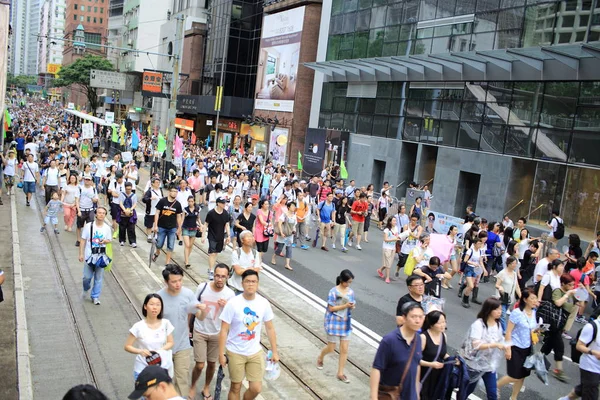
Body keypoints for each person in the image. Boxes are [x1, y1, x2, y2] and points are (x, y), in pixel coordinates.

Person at [219, 270, 279, 400]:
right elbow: (224, 330)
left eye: (254, 282)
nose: (250, 284)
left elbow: (270, 328)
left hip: (254, 352)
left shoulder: (263, 303)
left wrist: (275, 351)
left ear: (257, 284)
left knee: (256, 388)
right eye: (247, 281)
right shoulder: (233, 303)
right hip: (235, 351)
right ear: (242, 284)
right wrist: (221, 354)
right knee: (236, 386)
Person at [158, 265, 205, 396]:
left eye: (180, 280)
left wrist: (203, 310)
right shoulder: (158, 298)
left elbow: (200, 316)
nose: (178, 284)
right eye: (174, 281)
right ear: (166, 282)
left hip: (182, 345)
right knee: (164, 380)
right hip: (163, 346)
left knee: (182, 379)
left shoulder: (188, 294)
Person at [189, 263, 235, 400]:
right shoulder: (202, 287)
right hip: (200, 330)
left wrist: (226, 307)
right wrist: (188, 328)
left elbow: (234, 317)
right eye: (217, 276)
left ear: (227, 277)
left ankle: (206, 387)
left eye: (223, 277)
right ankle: (192, 386)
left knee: (212, 363)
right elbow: (192, 307)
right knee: (199, 364)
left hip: (217, 334)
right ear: (213, 275)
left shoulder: (230, 294)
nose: (219, 279)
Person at [369, 302, 424, 400]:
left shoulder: (418, 339)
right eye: (414, 317)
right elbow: (376, 368)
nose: (418, 321)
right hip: (391, 395)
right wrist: (374, 397)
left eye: (421, 317)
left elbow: (416, 365)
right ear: (404, 318)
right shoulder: (389, 340)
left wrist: (417, 394)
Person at [497, 288, 539, 400]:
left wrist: (536, 335)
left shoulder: (534, 313)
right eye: (533, 298)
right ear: (525, 299)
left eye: (536, 298)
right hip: (515, 347)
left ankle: (514, 397)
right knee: (514, 376)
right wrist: (508, 348)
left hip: (527, 348)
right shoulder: (517, 313)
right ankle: (495, 386)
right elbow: (508, 331)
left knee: (522, 376)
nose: (535, 301)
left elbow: (532, 329)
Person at [461, 298, 507, 400]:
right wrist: (495, 344)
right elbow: (476, 344)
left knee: (492, 393)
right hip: (474, 364)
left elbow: (500, 340)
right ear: (489, 310)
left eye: (500, 309)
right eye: (497, 309)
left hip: (488, 365)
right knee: (467, 390)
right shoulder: (479, 324)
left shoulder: (498, 324)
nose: (500, 312)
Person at [317, 269, 356, 383]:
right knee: (331, 348)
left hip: (345, 322)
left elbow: (352, 304)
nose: (349, 284)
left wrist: (351, 306)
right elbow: (331, 308)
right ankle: (321, 357)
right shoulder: (333, 291)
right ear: (342, 281)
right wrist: (345, 306)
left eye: (350, 282)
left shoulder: (350, 292)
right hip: (333, 321)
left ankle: (340, 373)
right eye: (347, 282)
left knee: (344, 349)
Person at [124, 294, 175, 379]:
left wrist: (160, 350)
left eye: (158, 305)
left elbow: (170, 342)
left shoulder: (166, 323)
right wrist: (140, 351)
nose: (155, 307)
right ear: (145, 306)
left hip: (162, 367)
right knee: (144, 392)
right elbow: (127, 346)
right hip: (143, 368)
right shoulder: (138, 326)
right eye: (151, 304)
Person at [541, 273, 577, 382]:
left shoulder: (571, 293)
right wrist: (567, 295)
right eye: (570, 285)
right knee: (559, 347)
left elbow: (577, 303)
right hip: (553, 323)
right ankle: (558, 370)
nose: (572, 287)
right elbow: (557, 303)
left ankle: (536, 358)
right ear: (563, 284)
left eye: (573, 285)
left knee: (549, 344)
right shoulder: (558, 291)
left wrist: (580, 291)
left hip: (561, 323)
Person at [558, 318, 600, 400]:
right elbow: (579, 346)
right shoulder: (592, 327)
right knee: (591, 393)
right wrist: (594, 352)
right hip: (590, 366)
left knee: (584, 388)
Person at [78, 206, 112, 305]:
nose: (101, 214)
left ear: (105, 215)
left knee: (98, 278)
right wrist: (81, 254)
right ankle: (86, 288)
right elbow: (83, 240)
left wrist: (105, 241)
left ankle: (95, 296)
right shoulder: (89, 226)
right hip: (89, 256)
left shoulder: (107, 228)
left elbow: (109, 240)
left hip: (101, 257)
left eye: (103, 213)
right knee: (87, 277)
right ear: (96, 214)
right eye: (99, 213)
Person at [419, 311, 449, 400]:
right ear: (431, 324)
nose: (443, 325)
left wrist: (453, 359)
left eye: (444, 322)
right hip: (423, 375)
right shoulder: (423, 337)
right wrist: (431, 364)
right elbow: (415, 359)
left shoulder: (443, 336)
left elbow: (442, 354)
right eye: (439, 323)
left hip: (437, 377)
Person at [152, 187, 183, 266]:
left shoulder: (177, 204)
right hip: (162, 226)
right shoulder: (162, 201)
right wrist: (155, 225)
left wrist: (179, 228)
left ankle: (167, 262)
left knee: (170, 245)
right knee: (159, 244)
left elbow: (179, 217)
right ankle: (157, 252)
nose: (175, 193)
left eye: (176, 192)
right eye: (173, 191)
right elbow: (157, 213)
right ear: (169, 192)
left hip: (172, 228)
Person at [203, 197, 231, 281]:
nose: (224, 204)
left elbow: (227, 224)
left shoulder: (225, 213)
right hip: (212, 235)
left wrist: (229, 235)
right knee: (212, 253)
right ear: (218, 203)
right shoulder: (211, 213)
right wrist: (203, 235)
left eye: (224, 203)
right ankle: (211, 270)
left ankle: (211, 267)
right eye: (222, 203)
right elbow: (206, 224)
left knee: (216, 253)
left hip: (220, 236)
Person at [495, 256, 522, 332]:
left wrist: (521, 297)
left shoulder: (514, 274)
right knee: (503, 316)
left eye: (516, 264)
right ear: (508, 264)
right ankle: (505, 331)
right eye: (513, 263)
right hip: (502, 298)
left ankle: (495, 327)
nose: (515, 265)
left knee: (500, 315)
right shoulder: (502, 273)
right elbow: (497, 284)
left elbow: (517, 286)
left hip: (509, 299)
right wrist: (500, 288)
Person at [461, 237, 487, 308]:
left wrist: (484, 270)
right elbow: (465, 260)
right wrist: (473, 263)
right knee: (471, 285)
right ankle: (465, 299)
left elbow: (481, 261)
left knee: (470, 286)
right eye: (478, 243)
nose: (479, 245)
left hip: (475, 270)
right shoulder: (470, 250)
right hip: (469, 268)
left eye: (480, 244)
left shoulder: (480, 252)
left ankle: (465, 298)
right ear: (474, 244)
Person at [271, 201, 296, 270]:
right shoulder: (284, 215)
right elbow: (279, 223)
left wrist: (294, 230)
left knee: (289, 249)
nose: (294, 208)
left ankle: (287, 264)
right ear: (288, 207)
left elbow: (294, 225)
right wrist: (281, 232)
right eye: (292, 206)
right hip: (284, 234)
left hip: (289, 235)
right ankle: (274, 257)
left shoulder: (294, 216)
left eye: (294, 206)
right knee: (280, 248)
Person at [377, 217, 401, 283]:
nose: (395, 222)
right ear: (390, 222)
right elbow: (385, 239)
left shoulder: (396, 228)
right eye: (393, 221)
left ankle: (380, 270)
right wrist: (394, 239)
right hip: (387, 247)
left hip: (393, 247)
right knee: (388, 263)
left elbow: (397, 236)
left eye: (395, 221)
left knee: (389, 263)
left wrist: (397, 240)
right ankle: (387, 277)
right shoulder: (387, 230)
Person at [181, 196, 202, 269]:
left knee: (190, 245)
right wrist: (179, 228)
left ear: (194, 202)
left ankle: (186, 258)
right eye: (189, 201)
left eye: (192, 201)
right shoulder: (185, 210)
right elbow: (182, 219)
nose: (190, 203)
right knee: (187, 245)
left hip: (194, 229)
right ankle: (187, 262)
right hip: (186, 228)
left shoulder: (197, 209)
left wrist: (201, 225)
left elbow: (198, 218)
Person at [143, 177, 163, 242]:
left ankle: (156, 235)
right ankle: (149, 236)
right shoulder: (149, 191)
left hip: (158, 211)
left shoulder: (160, 191)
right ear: (153, 184)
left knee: (157, 223)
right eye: (156, 182)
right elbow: (144, 199)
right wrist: (150, 198)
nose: (158, 184)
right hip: (151, 210)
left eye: (158, 182)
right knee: (149, 224)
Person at [118, 182, 138, 247]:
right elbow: (120, 203)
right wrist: (124, 210)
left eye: (129, 189)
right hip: (123, 212)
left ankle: (132, 242)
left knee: (131, 228)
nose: (128, 190)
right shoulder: (122, 194)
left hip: (131, 213)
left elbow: (135, 204)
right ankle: (122, 240)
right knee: (122, 227)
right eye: (127, 189)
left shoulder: (134, 195)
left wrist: (130, 210)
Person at [254, 199, 271, 264]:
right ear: (262, 205)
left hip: (266, 232)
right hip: (259, 231)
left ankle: (257, 258)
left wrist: (270, 227)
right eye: (266, 204)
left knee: (264, 249)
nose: (267, 205)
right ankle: (259, 262)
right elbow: (261, 221)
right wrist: (268, 225)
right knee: (259, 248)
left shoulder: (270, 212)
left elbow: (271, 221)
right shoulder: (259, 211)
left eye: (268, 204)